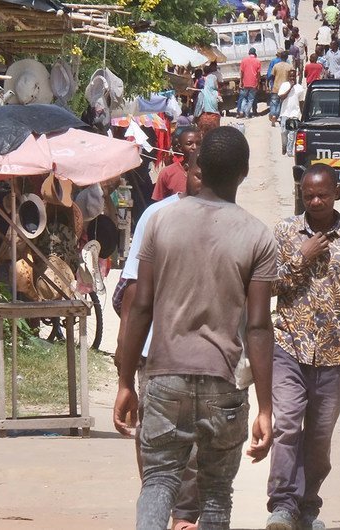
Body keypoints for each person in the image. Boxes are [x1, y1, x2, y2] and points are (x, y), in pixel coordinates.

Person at [113, 127, 279, 530]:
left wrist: (124, 382)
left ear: (199, 167)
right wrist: (266, 407)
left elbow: (140, 308)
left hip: (165, 377)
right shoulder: (257, 236)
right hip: (223, 384)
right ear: (244, 172)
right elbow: (258, 328)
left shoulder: (160, 222)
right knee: (217, 493)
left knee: (158, 481)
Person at [266, 166, 340, 530]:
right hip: (288, 346)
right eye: (309, 195)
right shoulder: (284, 232)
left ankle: (307, 506)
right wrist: (302, 255)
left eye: (323, 195)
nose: (315, 201)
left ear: (336, 194)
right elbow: (267, 285)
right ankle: (282, 505)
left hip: (333, 353)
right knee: (285, 425)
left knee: (319, 436)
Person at [115, 155, 206, 530]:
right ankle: (159, 503)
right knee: (152, 438)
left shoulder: (233, 222)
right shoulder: (156, 216)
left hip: (206, 358)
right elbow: (134, 297)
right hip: (155, 353)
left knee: (200, 441)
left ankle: (184, 516)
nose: (205, 180)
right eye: (200, 172)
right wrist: (124, 371)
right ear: (186, 173)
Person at [153, 127, 200, 200]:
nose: (194, 147)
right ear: (180, 147)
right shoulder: (167, 173)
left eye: (198, 143)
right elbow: (159, 203)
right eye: (189, 144)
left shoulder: (208, 172)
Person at [278, 70, 306, 156]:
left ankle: (289, 151)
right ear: (288, 77)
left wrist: (303, 115)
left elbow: (301, 102)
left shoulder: (299, 88)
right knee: (284, 132)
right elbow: (281, 97)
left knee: (292, 133)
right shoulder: (284, 85)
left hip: (294, 114)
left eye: (293, 76)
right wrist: (290, 87)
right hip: (284, 113)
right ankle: (284, 145)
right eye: (290, 76)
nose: (292, 78)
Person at [270, 52, 294, 127]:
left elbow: (272, 76)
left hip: (276, 87)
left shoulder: (276, 66)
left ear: (280, 57)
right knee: (282, 104)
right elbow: (292, 77)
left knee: (274, 103)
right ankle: (278, 116)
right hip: (285, 88)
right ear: (287, 58)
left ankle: (273, 115)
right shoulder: (290, 67)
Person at [238, 48, 262, 119]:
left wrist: (241, 81)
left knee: (244, 98)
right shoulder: (257, 61)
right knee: (251, 99)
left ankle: (242, 111)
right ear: (255, 53)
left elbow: (242, 72)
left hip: (245, 82)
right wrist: (258, 83)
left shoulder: (244, 60)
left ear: (249, 53)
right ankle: (247, 114)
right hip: (253, 82)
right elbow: (258, 74)